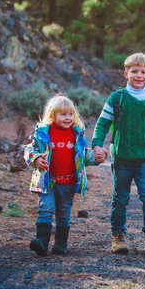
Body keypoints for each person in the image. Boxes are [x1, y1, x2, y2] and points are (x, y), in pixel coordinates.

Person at [92, 52, 145, 254]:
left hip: (144, 159)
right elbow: (102, 124)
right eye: (134, 71)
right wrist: (97, 145)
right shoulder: (117, 98)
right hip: (122, 158)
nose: (138, 75)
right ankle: (118, 236)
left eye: (143, 72)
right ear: (126, 73)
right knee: (120, 199)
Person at [24, 94, 107, 256]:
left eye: (70, 114)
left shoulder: (76, 135)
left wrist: (96, 158)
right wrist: (36, 158)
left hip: (68, 182)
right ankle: (42, 241)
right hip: (47, 181)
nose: (67, 117)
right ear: (52, 116)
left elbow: (82, 156)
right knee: (45, 209)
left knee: (63, 212)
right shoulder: (43, 134)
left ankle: (60, 244)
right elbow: (29, 150)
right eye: (62, 114)